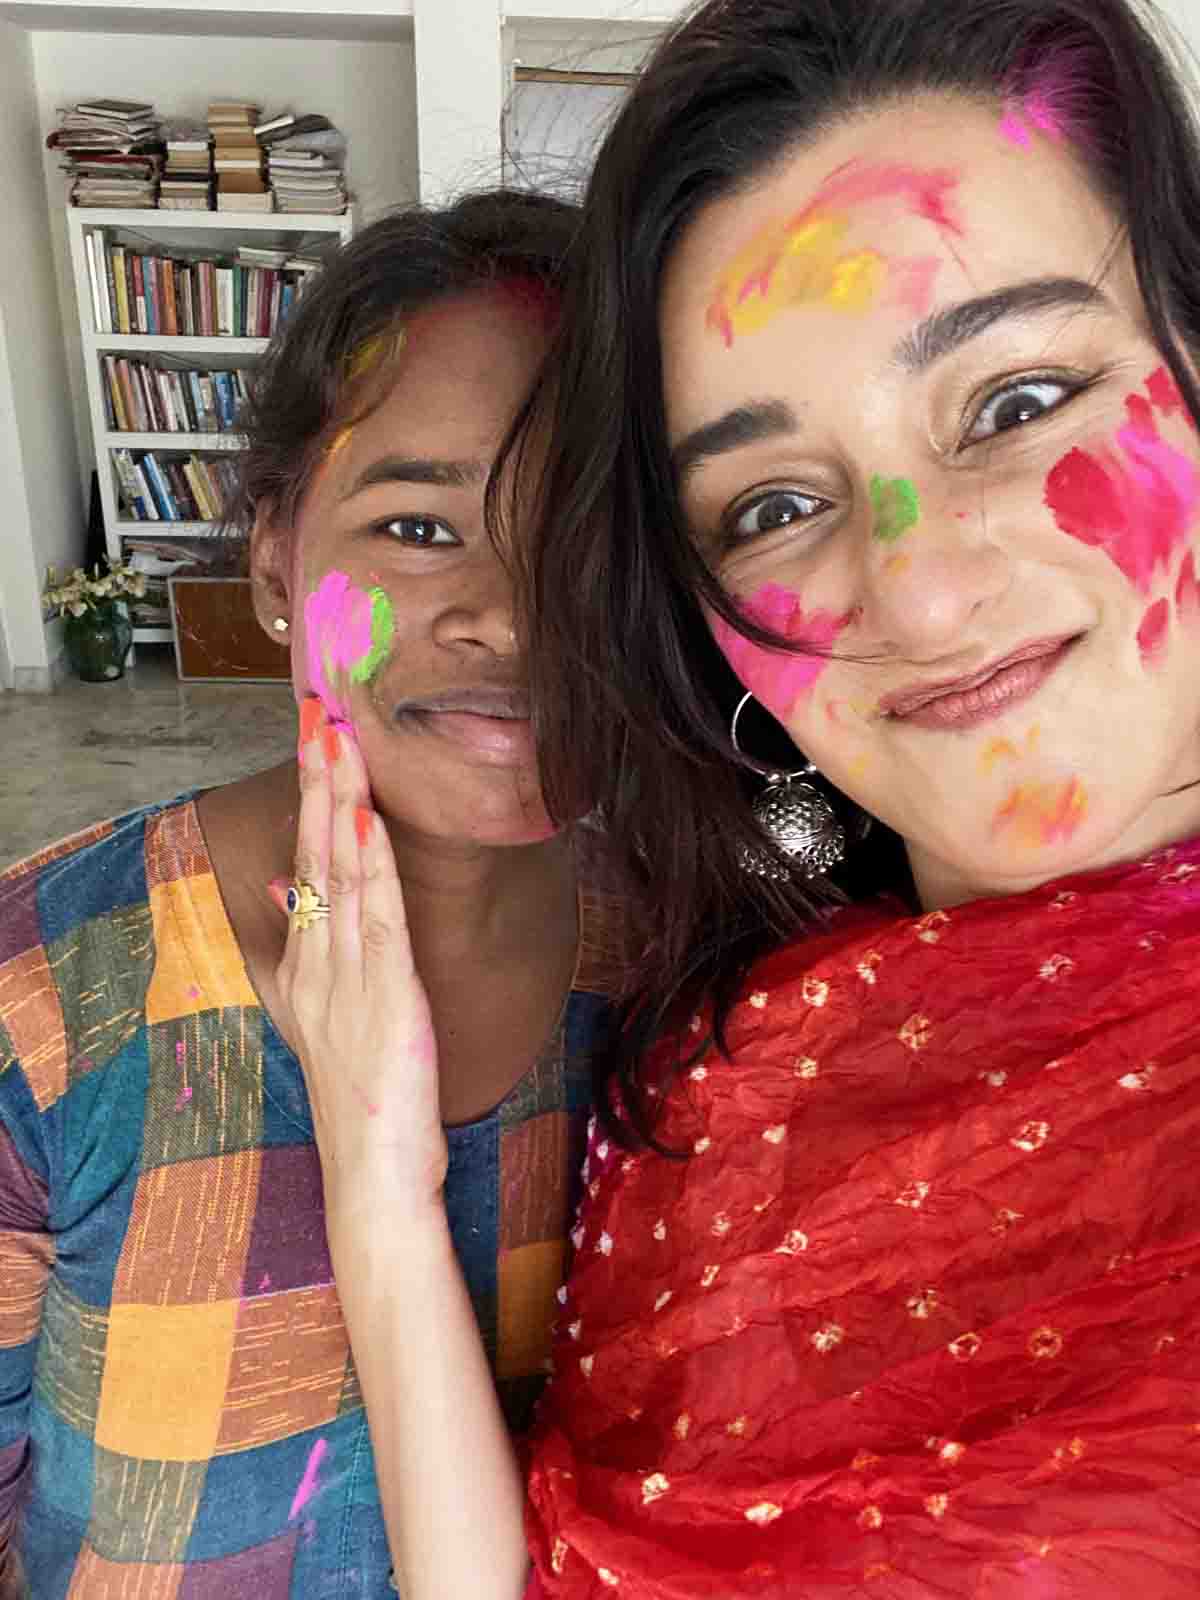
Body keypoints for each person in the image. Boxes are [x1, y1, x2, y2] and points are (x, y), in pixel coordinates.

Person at [276, 0, 1200, 1595]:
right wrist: (378, 1177)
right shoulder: (725, 1053)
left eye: (1013, 401)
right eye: (773, 502)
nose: (915, 596)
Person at [0, 189, 629, 1598]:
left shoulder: (695, 997)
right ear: (278, 556)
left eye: (586, 530)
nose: (515, 616)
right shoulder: (39, 998)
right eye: (418, 528)